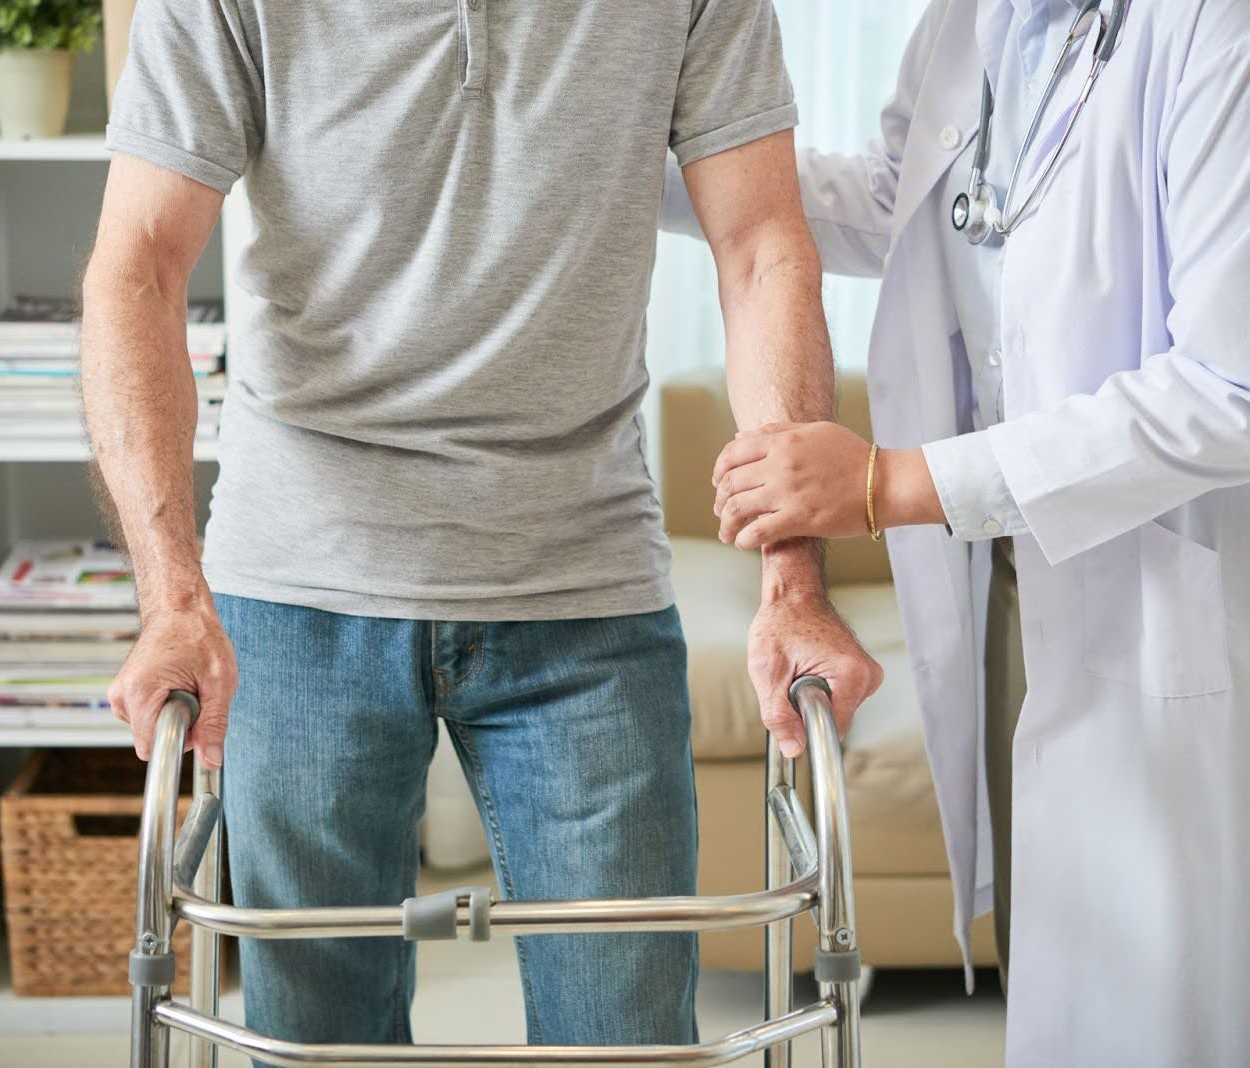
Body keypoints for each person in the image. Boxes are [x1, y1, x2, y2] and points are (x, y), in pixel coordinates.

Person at [79, 0, 881, 1055]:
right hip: (300, 587)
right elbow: (136, 267)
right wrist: (173, 602)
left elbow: (761, 247)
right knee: (318, 1039)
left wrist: (794, 584)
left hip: (584, 590)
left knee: (625, 1036)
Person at [665, 0, 1250, 1063]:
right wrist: (667, 149)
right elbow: (902, 199)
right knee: (1082, 1012)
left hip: (1232, 633)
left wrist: (887, 481)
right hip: (1047, 587)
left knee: (1214, 1021)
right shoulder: (986, 18)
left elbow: (1241, 390)